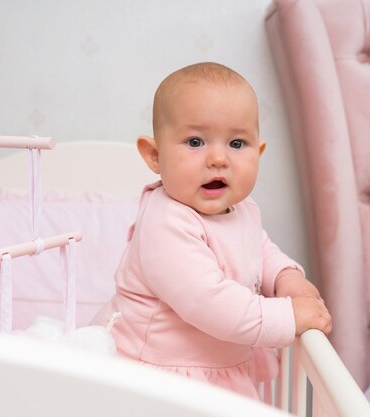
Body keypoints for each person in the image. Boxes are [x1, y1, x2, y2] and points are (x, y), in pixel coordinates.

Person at [91, 62, 331, 398]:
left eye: (236, 144)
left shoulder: (243, 210)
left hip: (213, 367)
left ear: (258, 153)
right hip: (156, 377)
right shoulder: (165, 223)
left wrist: (287, 277)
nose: (218, 158)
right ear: (155, 156)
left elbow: (259, 248)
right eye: (194, 142)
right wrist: (287, 316)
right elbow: (212, 302)